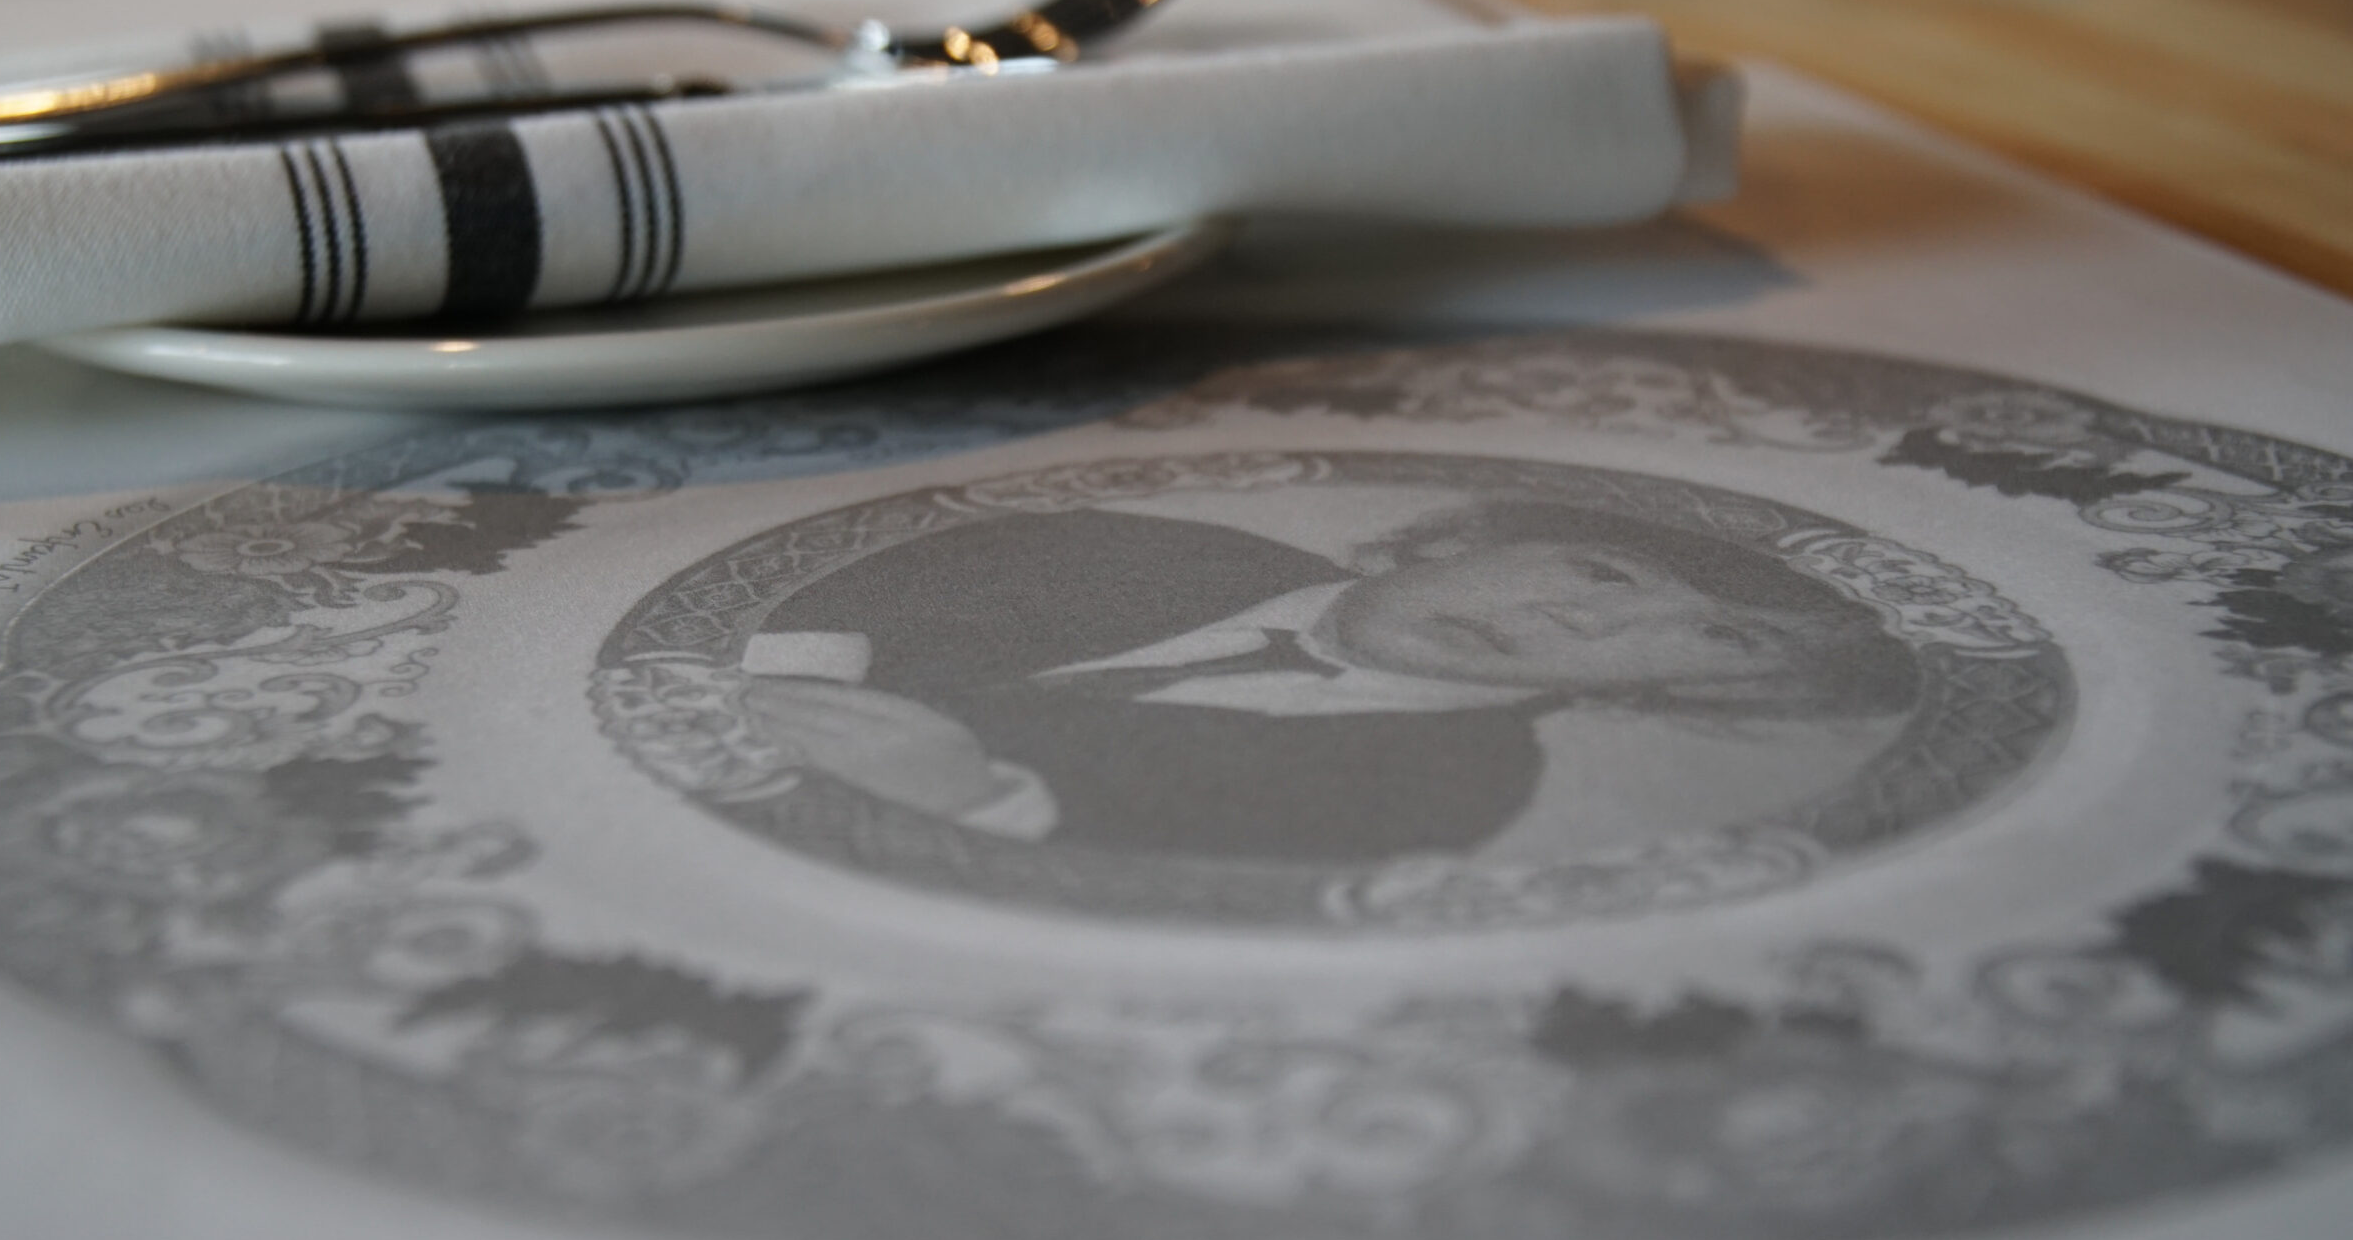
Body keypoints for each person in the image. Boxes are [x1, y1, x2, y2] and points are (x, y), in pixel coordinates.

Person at [739, 496, 1920, 866]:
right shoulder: (1137, 544)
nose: (1588, 621)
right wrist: (780, 687)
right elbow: (843, 600)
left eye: (1720, 640)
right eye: (1603, 571)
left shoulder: (1443, 792)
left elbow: (1154, 899)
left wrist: (978, 800)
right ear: (1447, 540)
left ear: (1685, 696)